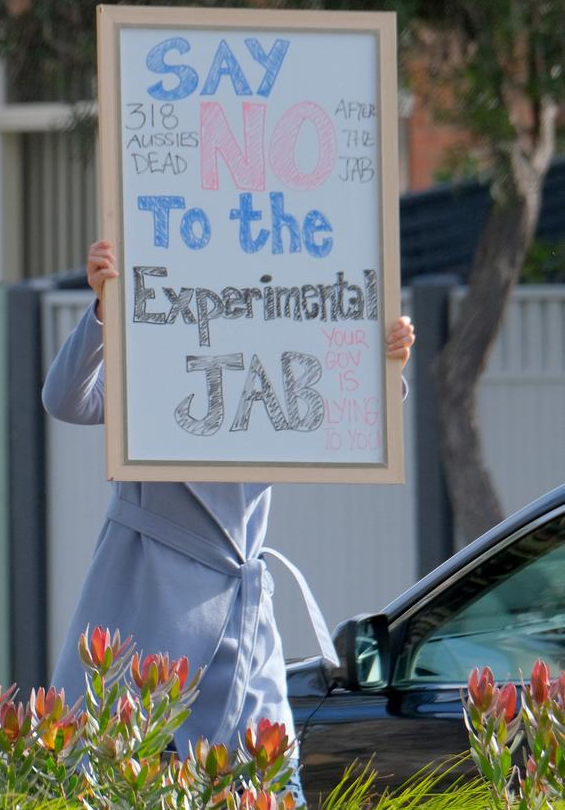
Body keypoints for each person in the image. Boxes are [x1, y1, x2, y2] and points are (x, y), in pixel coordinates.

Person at [42, 240, 415, 766]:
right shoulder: (150, 360)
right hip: (144, 597)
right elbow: (65, 398)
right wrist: (104, 308)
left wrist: (386, 362)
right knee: (121, 774)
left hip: (239, 610)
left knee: (267, 776)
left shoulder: (280, 366)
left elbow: (350, 424)